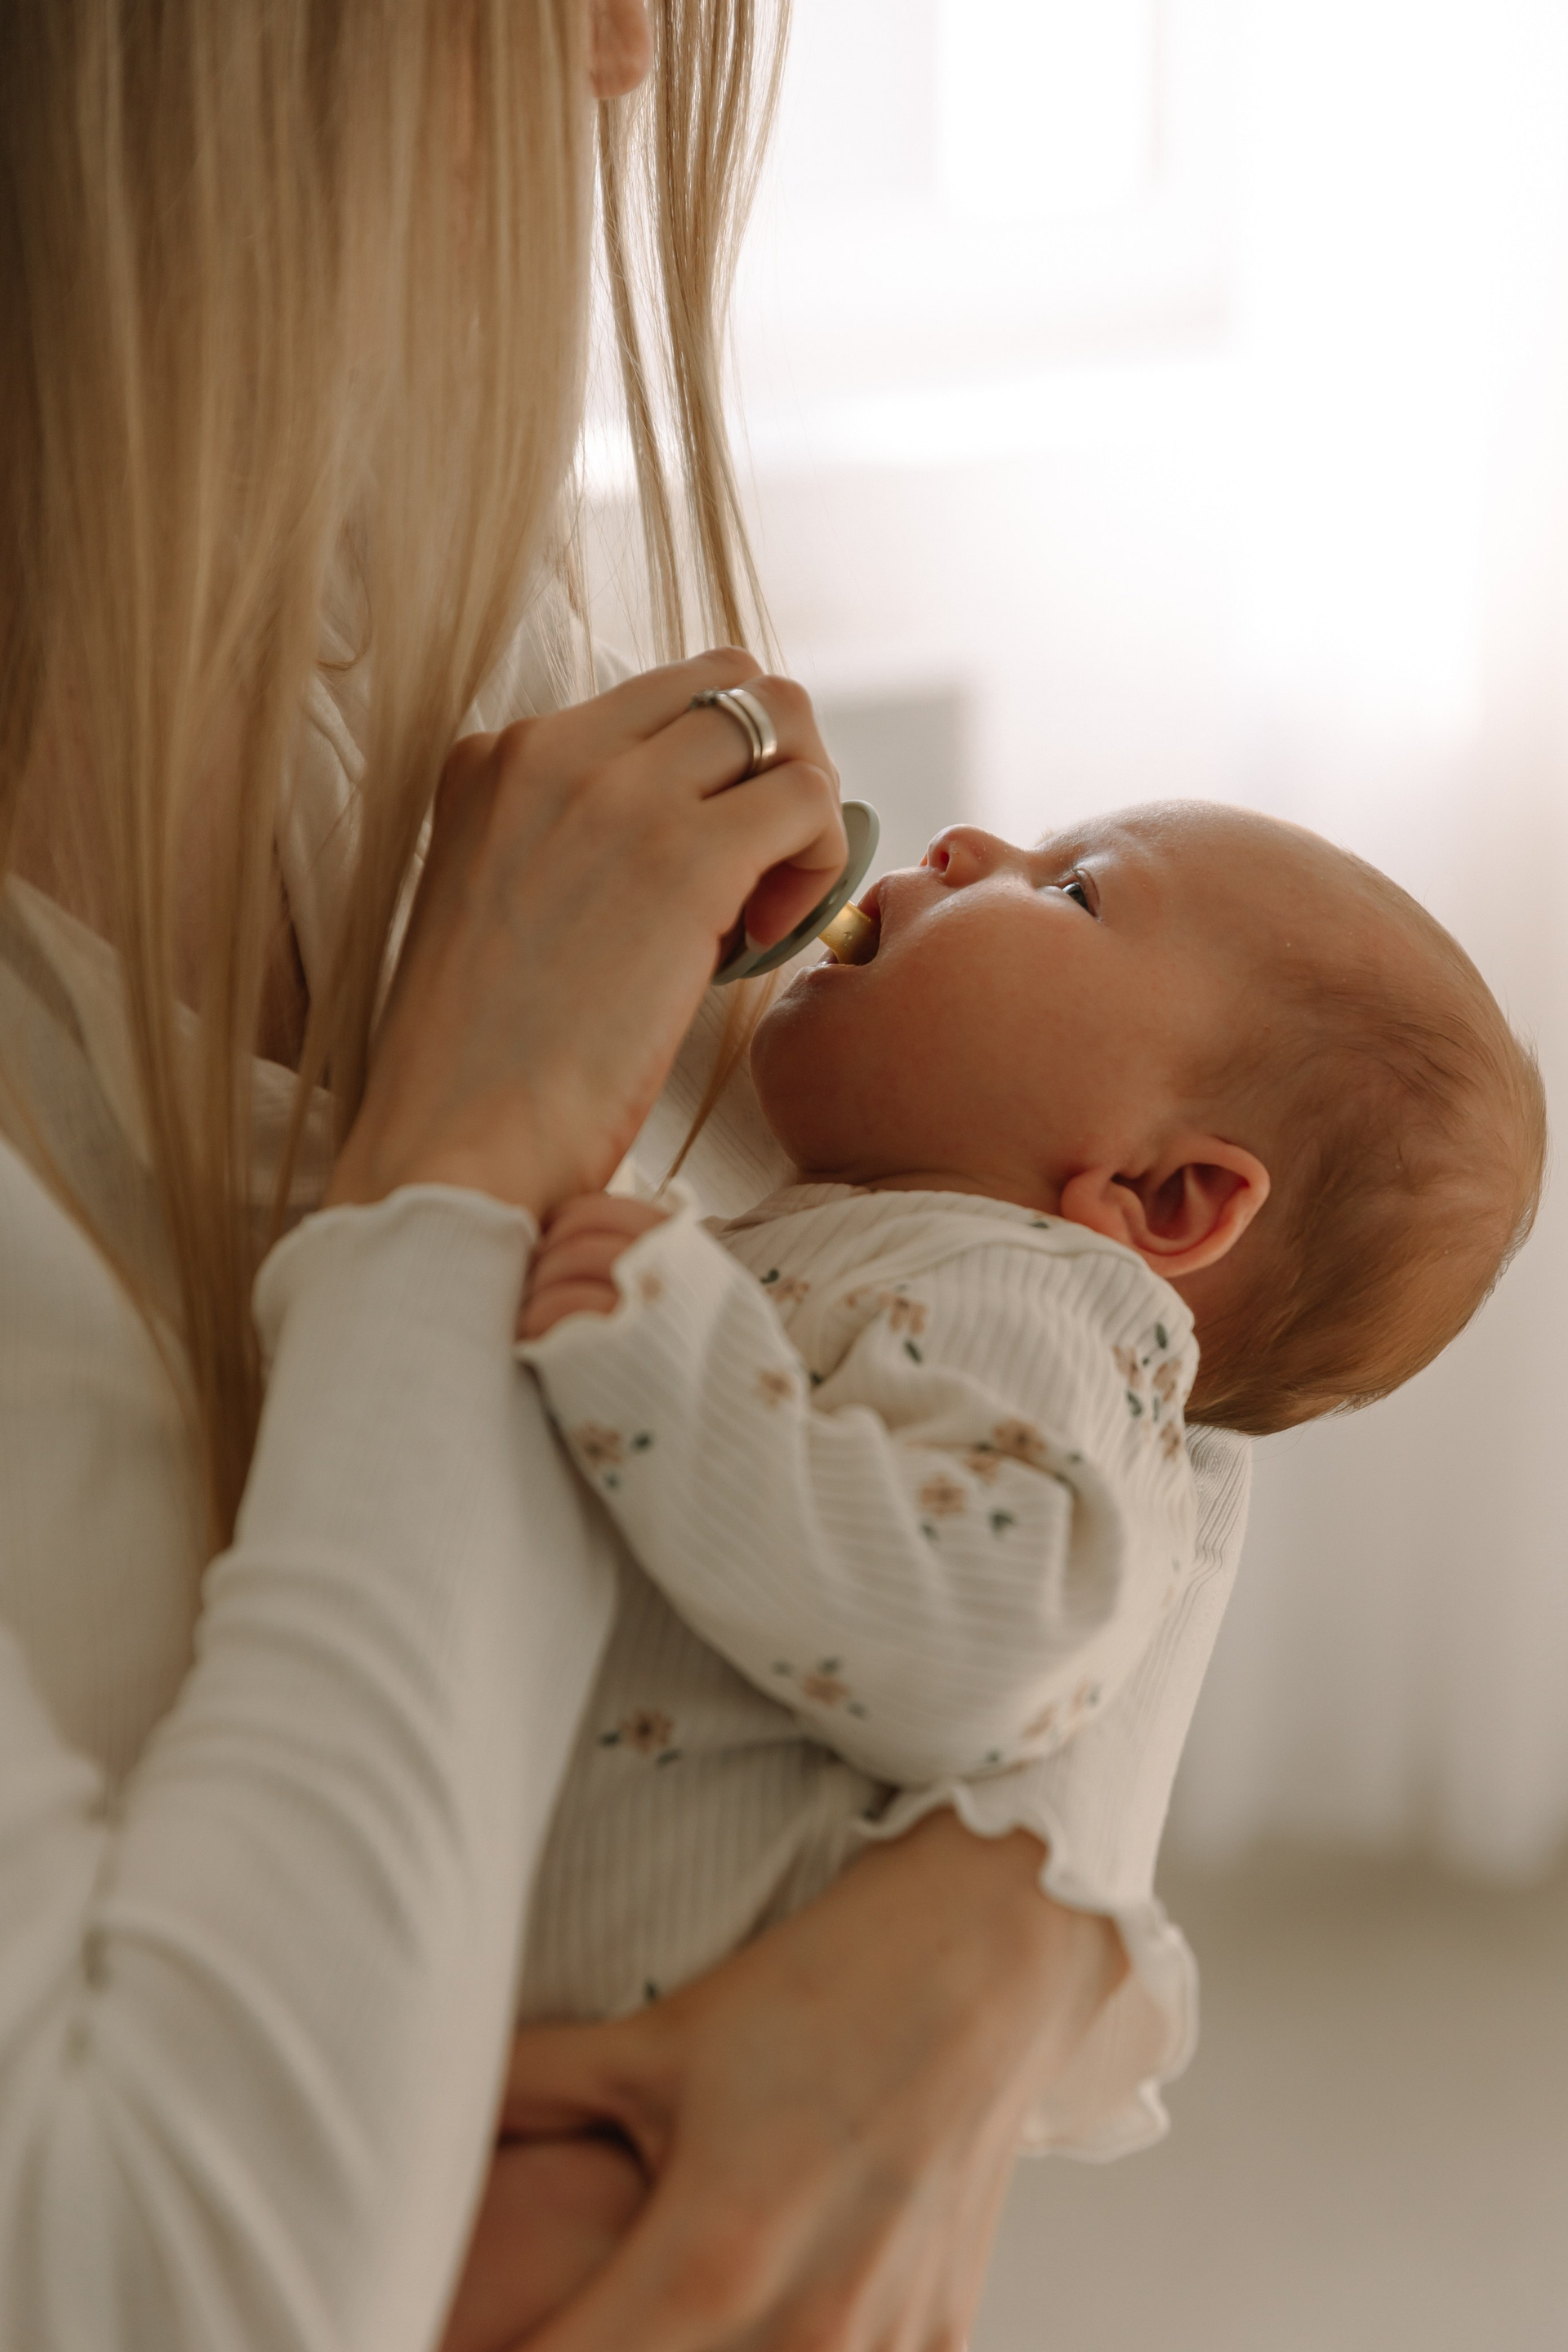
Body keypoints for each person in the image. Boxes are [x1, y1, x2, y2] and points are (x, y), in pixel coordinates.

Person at [0, 7, 1255, 2350]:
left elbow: (1087, 1402)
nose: (625, 54)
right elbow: (177, 2280)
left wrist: (1004, 1921)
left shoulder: (392, 590)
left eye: (1075, 886)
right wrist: (457, 1184)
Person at [481, 801, 1544, 2328]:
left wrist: (664, 1353)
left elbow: (982, 1631)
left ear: (1165, 1200)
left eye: (1077, 891)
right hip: (577, 2023)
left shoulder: (1032, 1303)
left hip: (661, 2115)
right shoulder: (890, 1239)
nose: (972, 844)